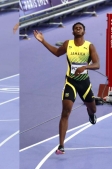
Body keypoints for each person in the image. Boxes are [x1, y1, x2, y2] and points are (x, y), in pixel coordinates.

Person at [33, 22, 99, 154]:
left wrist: (85, 67)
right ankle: (61, 146)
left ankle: (91, 114)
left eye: (80, 28)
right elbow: (57, 53)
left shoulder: (89, 46)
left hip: (84, 84)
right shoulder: (68, 44)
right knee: (65, 111)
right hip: (71, 82)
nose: (78, 29)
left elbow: (97, 64)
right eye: (76, 28)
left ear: (84, 32)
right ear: (73, 32)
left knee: (93, 108)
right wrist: (43, 41)